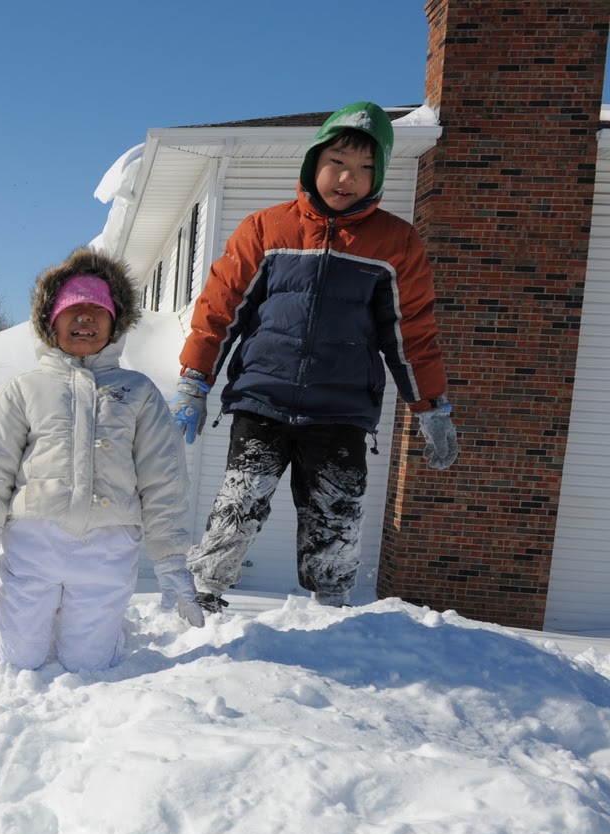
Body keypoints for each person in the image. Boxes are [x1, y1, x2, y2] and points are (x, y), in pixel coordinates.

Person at [170, 101, 459, 611]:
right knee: (239, 504)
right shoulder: (266, 230)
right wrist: (195, 380)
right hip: (262, 398)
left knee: (337, 519)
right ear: (313, 162)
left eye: (366, 168)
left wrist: (431, 407)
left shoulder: (396, 244)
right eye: (338, 162)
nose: (349, 177)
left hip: (341, 408)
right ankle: (203, 599)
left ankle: (332, 616)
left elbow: (411, 333)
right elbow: (220, 308)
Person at [0, 247, 203, 674]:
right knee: (18, 659)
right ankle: (19, 628)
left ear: (116, 323)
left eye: (97, 311)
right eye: (73, 310)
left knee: (88, 663)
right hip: (35, 541)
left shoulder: (138, 392)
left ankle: (99, 630)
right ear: (50, 322)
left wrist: (171, 560)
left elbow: (164, 480)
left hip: (108, 549)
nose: (85, 319)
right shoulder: (23, 390)